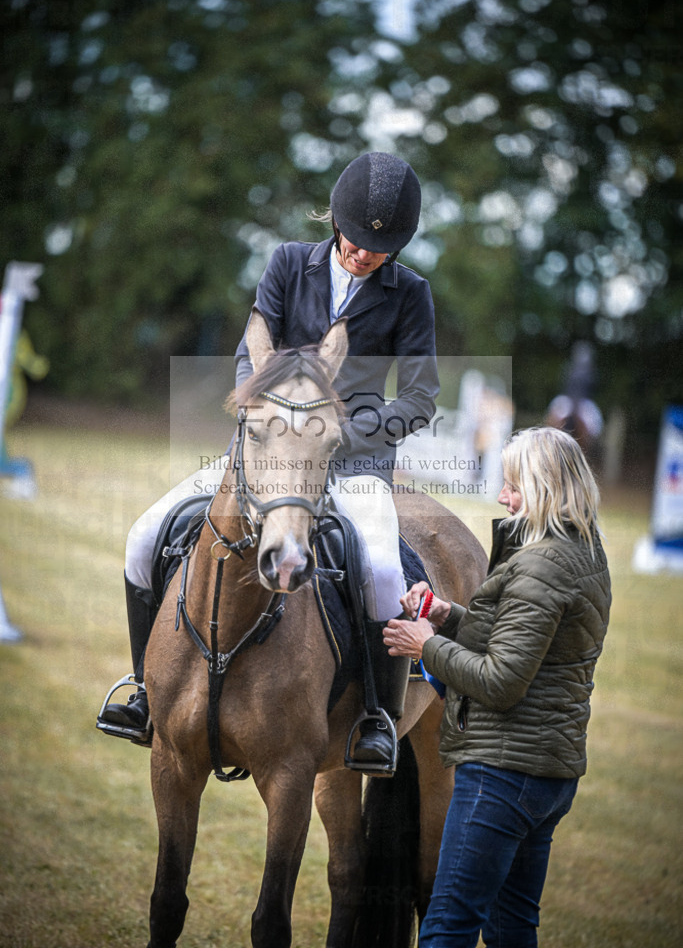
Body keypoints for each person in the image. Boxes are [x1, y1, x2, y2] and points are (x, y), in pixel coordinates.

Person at [98, 151, 440, 771]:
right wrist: (269, 418)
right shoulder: (287, 263)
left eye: (378, 249)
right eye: (357, 240)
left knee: (385, 573)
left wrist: (337, 428)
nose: (364, 254)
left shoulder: (411, 294)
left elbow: (420, 397)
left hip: (354, 463)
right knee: (144, 534)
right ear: (336, 221)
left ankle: (375, 720)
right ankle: (145, 691)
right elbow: (246, 356)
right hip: (263, 451)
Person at [383, 426, 611, 946]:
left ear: (546, 489)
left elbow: (501, 681)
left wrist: (426, 644)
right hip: (549, 773)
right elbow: (524, 643)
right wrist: (446, 615)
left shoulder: (539, 567)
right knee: (511, 928)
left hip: (503, 777)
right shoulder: (583, 554)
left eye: (514, 486)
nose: (502, 497)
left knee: (448, 927)